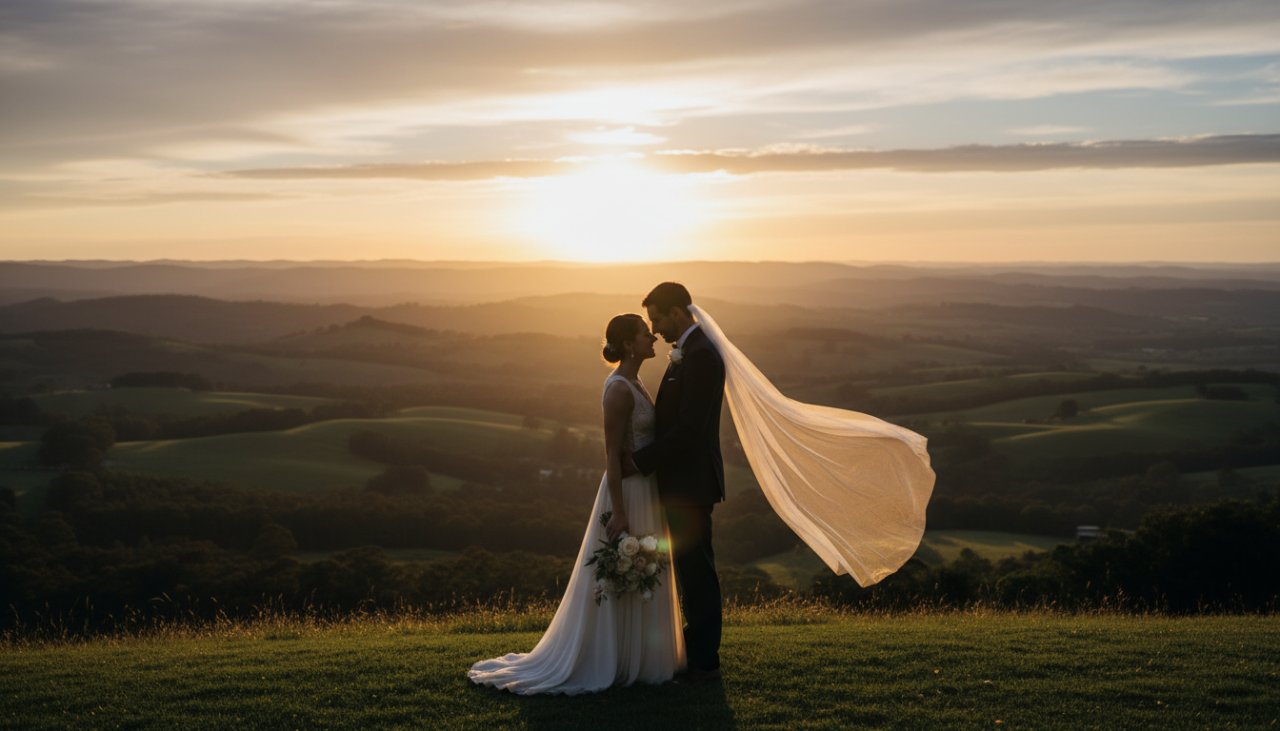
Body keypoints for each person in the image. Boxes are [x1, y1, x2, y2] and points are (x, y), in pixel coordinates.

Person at [468, 314, 684, 694]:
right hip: (627, 492)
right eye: (644, 334)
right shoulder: (618, 389)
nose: (653, 337)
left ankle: (641, 658)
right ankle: (609, 658)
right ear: (630, 344)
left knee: (644, 570)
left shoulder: (635, 382)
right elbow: (611, 456)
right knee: (624, 571)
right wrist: (618, 511)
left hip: (646, 490)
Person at [629, 282, 726, 682]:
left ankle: (704, 661)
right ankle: (695, 648)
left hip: (690, 485)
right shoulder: (691, 350)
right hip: (682, 483)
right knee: (690, 570)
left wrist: (639, 461)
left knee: (697, 572)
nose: (655, 329)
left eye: (657, 319)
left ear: (677, 312)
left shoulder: (701, 356)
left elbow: (689, 429)